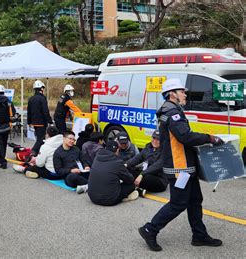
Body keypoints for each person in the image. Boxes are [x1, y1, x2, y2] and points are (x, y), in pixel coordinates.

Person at [139, 78, 224, 252]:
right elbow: (185, 136)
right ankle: (150, 229)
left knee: (195, 201)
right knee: (178, 203)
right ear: (172, 94)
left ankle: (199, 235)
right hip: (180, 168)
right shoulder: (172, 113)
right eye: (182, 92)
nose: (185, 94)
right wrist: (209, 138)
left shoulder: (171, 110)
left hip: (185, 165)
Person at [87, 140, 139, 206]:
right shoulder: (117, 162)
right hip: (109, 200)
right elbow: (130, 179)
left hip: (92, 197)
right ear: (117, 150)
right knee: (131, 185)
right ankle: (126, 197)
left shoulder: (97, 157)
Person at [27, 80, 53, 156]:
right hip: (41, 122)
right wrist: (50, 121)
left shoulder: (31, 98)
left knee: (40, 138)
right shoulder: (42, 98)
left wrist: (29, 122)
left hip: (34, 123)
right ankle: (33, 152)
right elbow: (45, 111)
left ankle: (39, 153)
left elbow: (29, 111)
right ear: (41, 88)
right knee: (40, 139)